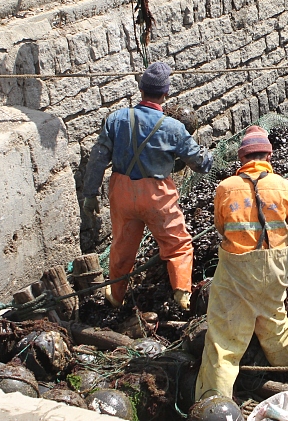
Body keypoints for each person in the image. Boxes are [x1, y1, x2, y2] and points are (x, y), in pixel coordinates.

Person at [195, 126, 288, 401]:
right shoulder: (285, 187)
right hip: (273, 270)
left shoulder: (225, 188)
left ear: (242, 159)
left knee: (223, 341)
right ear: (268, 156)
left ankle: (213, 403)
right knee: (275, 323)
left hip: (235, 273)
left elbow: (221, 229)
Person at [81, 62, 213, 309]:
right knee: (178, 244)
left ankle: (116, 295)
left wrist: (90, 195)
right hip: (157, 196)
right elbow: (198, 162)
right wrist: (209, 157)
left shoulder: (116, 119)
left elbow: (98, 158)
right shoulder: (174, 127)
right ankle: (182, 293)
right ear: (166, 94)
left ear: (140, 90)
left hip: (122, 192)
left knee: (122, 246)